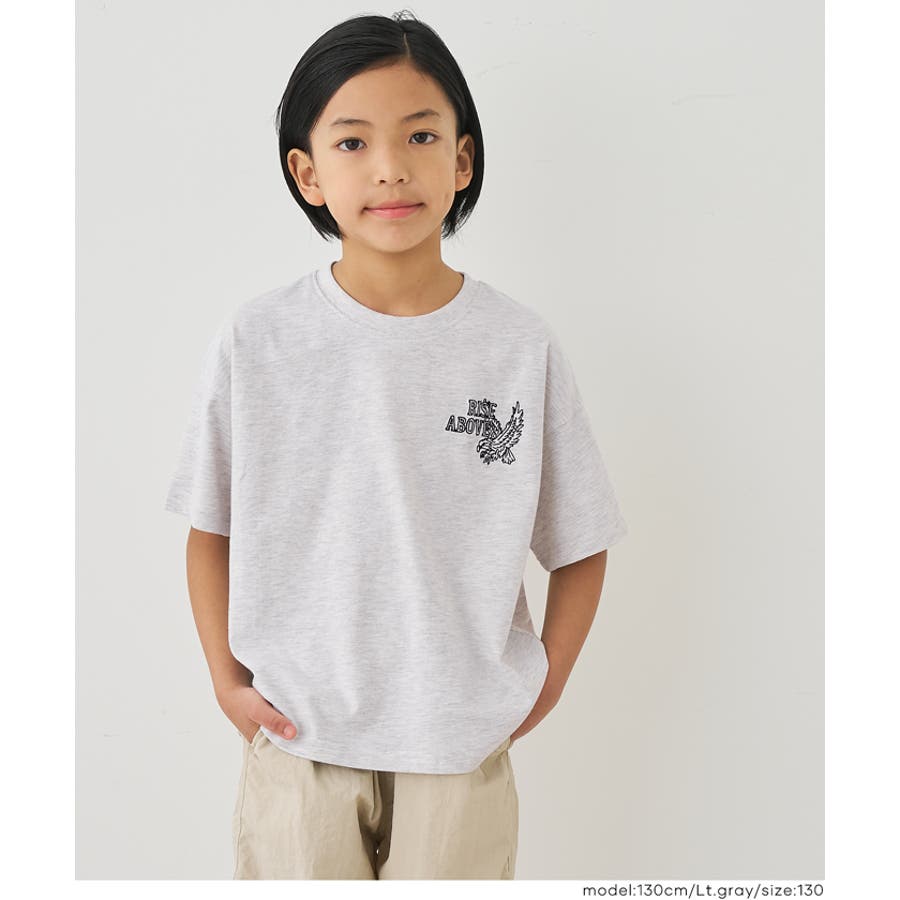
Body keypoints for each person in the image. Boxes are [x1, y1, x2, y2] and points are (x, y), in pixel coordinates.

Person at [164, 10, 628, 880]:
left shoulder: (517, 345)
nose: (390, 167)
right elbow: (208, 529)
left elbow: (582, 541)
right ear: (306, 172)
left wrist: (546, 680)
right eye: (352, 142)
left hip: (459, 741)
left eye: (421, 135)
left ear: (463, 159)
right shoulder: (257, 340)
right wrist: (227, 681)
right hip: (298, 737)